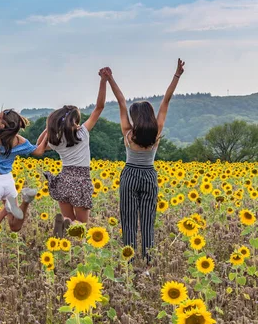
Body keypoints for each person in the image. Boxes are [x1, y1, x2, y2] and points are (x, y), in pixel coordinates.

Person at [107, 59, 185, 264]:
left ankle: (129, 261)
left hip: (130, 174)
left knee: (129, 220)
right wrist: (177, 75)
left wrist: (110, 79)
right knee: (148, 220)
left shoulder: (128, 133)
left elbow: (121, 101)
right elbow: (166, 101)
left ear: (134, 117)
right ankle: (149, 262)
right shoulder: (156, 131)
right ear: (150, 115)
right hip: (150, 175)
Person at [43, 68, 108, 235]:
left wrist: (49, 129)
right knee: (81, 226)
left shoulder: (56, 140)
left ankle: (64, 228)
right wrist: (103, 81)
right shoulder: (82, 133)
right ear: (76, 121)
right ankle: (69, 232)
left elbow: (40, 146)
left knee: (69, 220)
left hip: (64, 179)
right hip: (80, 181)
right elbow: (99, 107)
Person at [0, 108, 47, 236]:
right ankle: (26, 201)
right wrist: (48, 131)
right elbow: (38, 151)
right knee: (14, 226)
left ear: (3, 124)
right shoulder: (18, 140)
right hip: (8, 181)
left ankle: (6, 209)